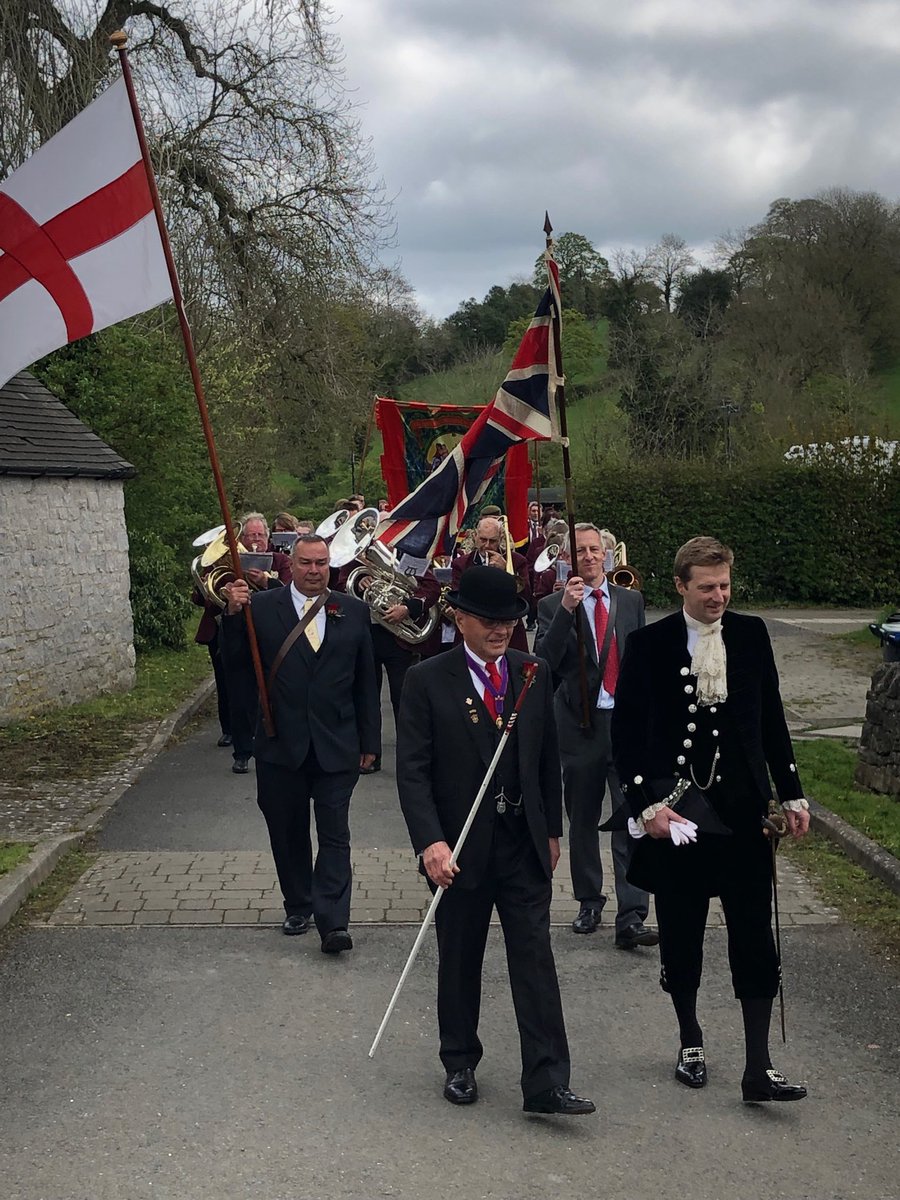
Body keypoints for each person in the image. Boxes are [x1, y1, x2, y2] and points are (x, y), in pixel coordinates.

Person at [611, 536, 810, 1102]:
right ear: (681, 587)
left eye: (724, 585)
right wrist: (647, 805)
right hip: (680, 816)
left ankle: (757, 1066)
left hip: (744, 814)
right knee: (682, 935)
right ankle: (691, 1039)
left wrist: (791, 794)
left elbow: (770, 716)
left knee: (753, 935)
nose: (718, 596)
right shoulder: (648, 644)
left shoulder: (751, 634)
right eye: (706, 587)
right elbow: (626, 737)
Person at [396, 566, 595, 1116]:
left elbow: (547, 755)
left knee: (534, 958)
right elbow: (412, 771)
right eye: (488, 620)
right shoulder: (427, 680)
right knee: (460, 956)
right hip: (458, 848)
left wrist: (552, 829)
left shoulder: (533, 671)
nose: (501, 629)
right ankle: (459, 1061)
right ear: (459, 618)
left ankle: (547, 1080)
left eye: (509, 619)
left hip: (522, 842)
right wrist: (430, 843)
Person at [222, 533, 380, 952]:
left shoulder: (353, 610)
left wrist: (371, 739)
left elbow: (367, 681)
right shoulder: (261, 608)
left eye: (322, 563)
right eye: (307, 563)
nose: (315, 571)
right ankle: (299, 903)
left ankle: (334, 922)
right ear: (290, 564)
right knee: (287, 829)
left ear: (331, 565)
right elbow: (234, 662)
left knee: (334, 834)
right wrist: (233, 616)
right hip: (279, 744)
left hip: (337, 742)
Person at [535, 522, 656, 949]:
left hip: (625, 726)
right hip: (579, 725)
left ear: (606, 555)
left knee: (631, 817)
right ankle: (589, 899)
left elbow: (640, 658)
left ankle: (633, 912)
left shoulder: (630, 600)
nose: (588, 557)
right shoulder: (552, 605)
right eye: (579, 551)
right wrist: (566, 610)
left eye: (594, 550)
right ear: (567, 558)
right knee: (583, 817)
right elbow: (543, 664)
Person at [451, 516, 531, 651]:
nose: (487, 545)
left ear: (500, 539)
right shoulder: (462, 564)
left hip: (509, 634)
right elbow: (458, 598)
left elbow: (527, 597)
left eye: (492, 541)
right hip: (474, 633)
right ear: (475, 536)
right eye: (483, 540)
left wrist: (506, 572)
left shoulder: (517, 561)